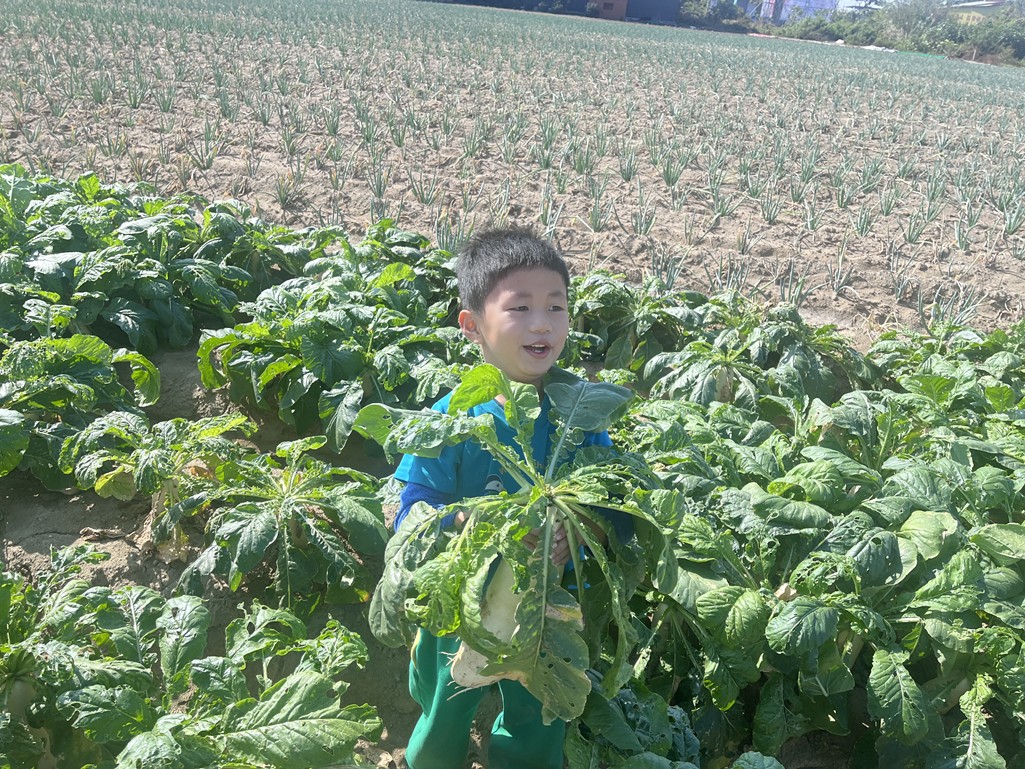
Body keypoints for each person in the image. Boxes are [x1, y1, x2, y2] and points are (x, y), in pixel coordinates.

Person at [391, 227, 618, 769]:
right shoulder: (453, 417)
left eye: (556, 307)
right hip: (461, 598)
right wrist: (470, 524)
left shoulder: (583, 414)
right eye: (520, 308)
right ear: (472, 325)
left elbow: (610, 503)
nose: (542, 324)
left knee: (539, 713)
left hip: (549, 603)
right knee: (445, 704)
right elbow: (412, 508)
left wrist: (576, 533)